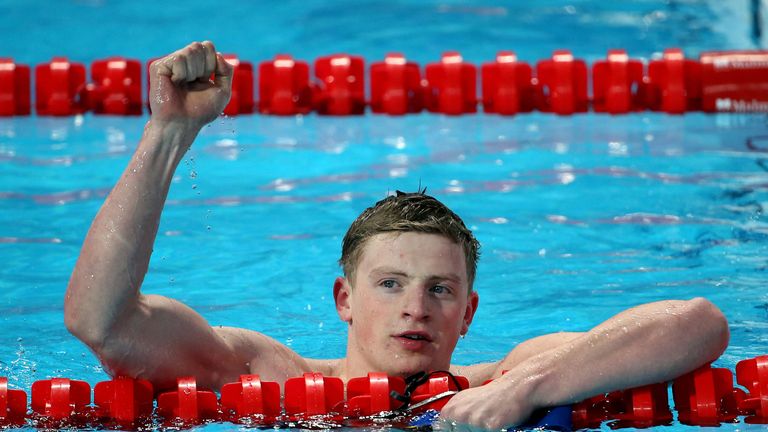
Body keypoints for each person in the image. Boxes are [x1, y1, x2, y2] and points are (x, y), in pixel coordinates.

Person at [64, 41, 730, 430]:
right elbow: (103, 323)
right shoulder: (260, 376)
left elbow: (696, 323)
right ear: (343, 299)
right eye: (391, 283)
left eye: (441, 289)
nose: (417, 307)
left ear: (468, 313)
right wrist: (167, 136)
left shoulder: (501, 382)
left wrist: (531, 388)